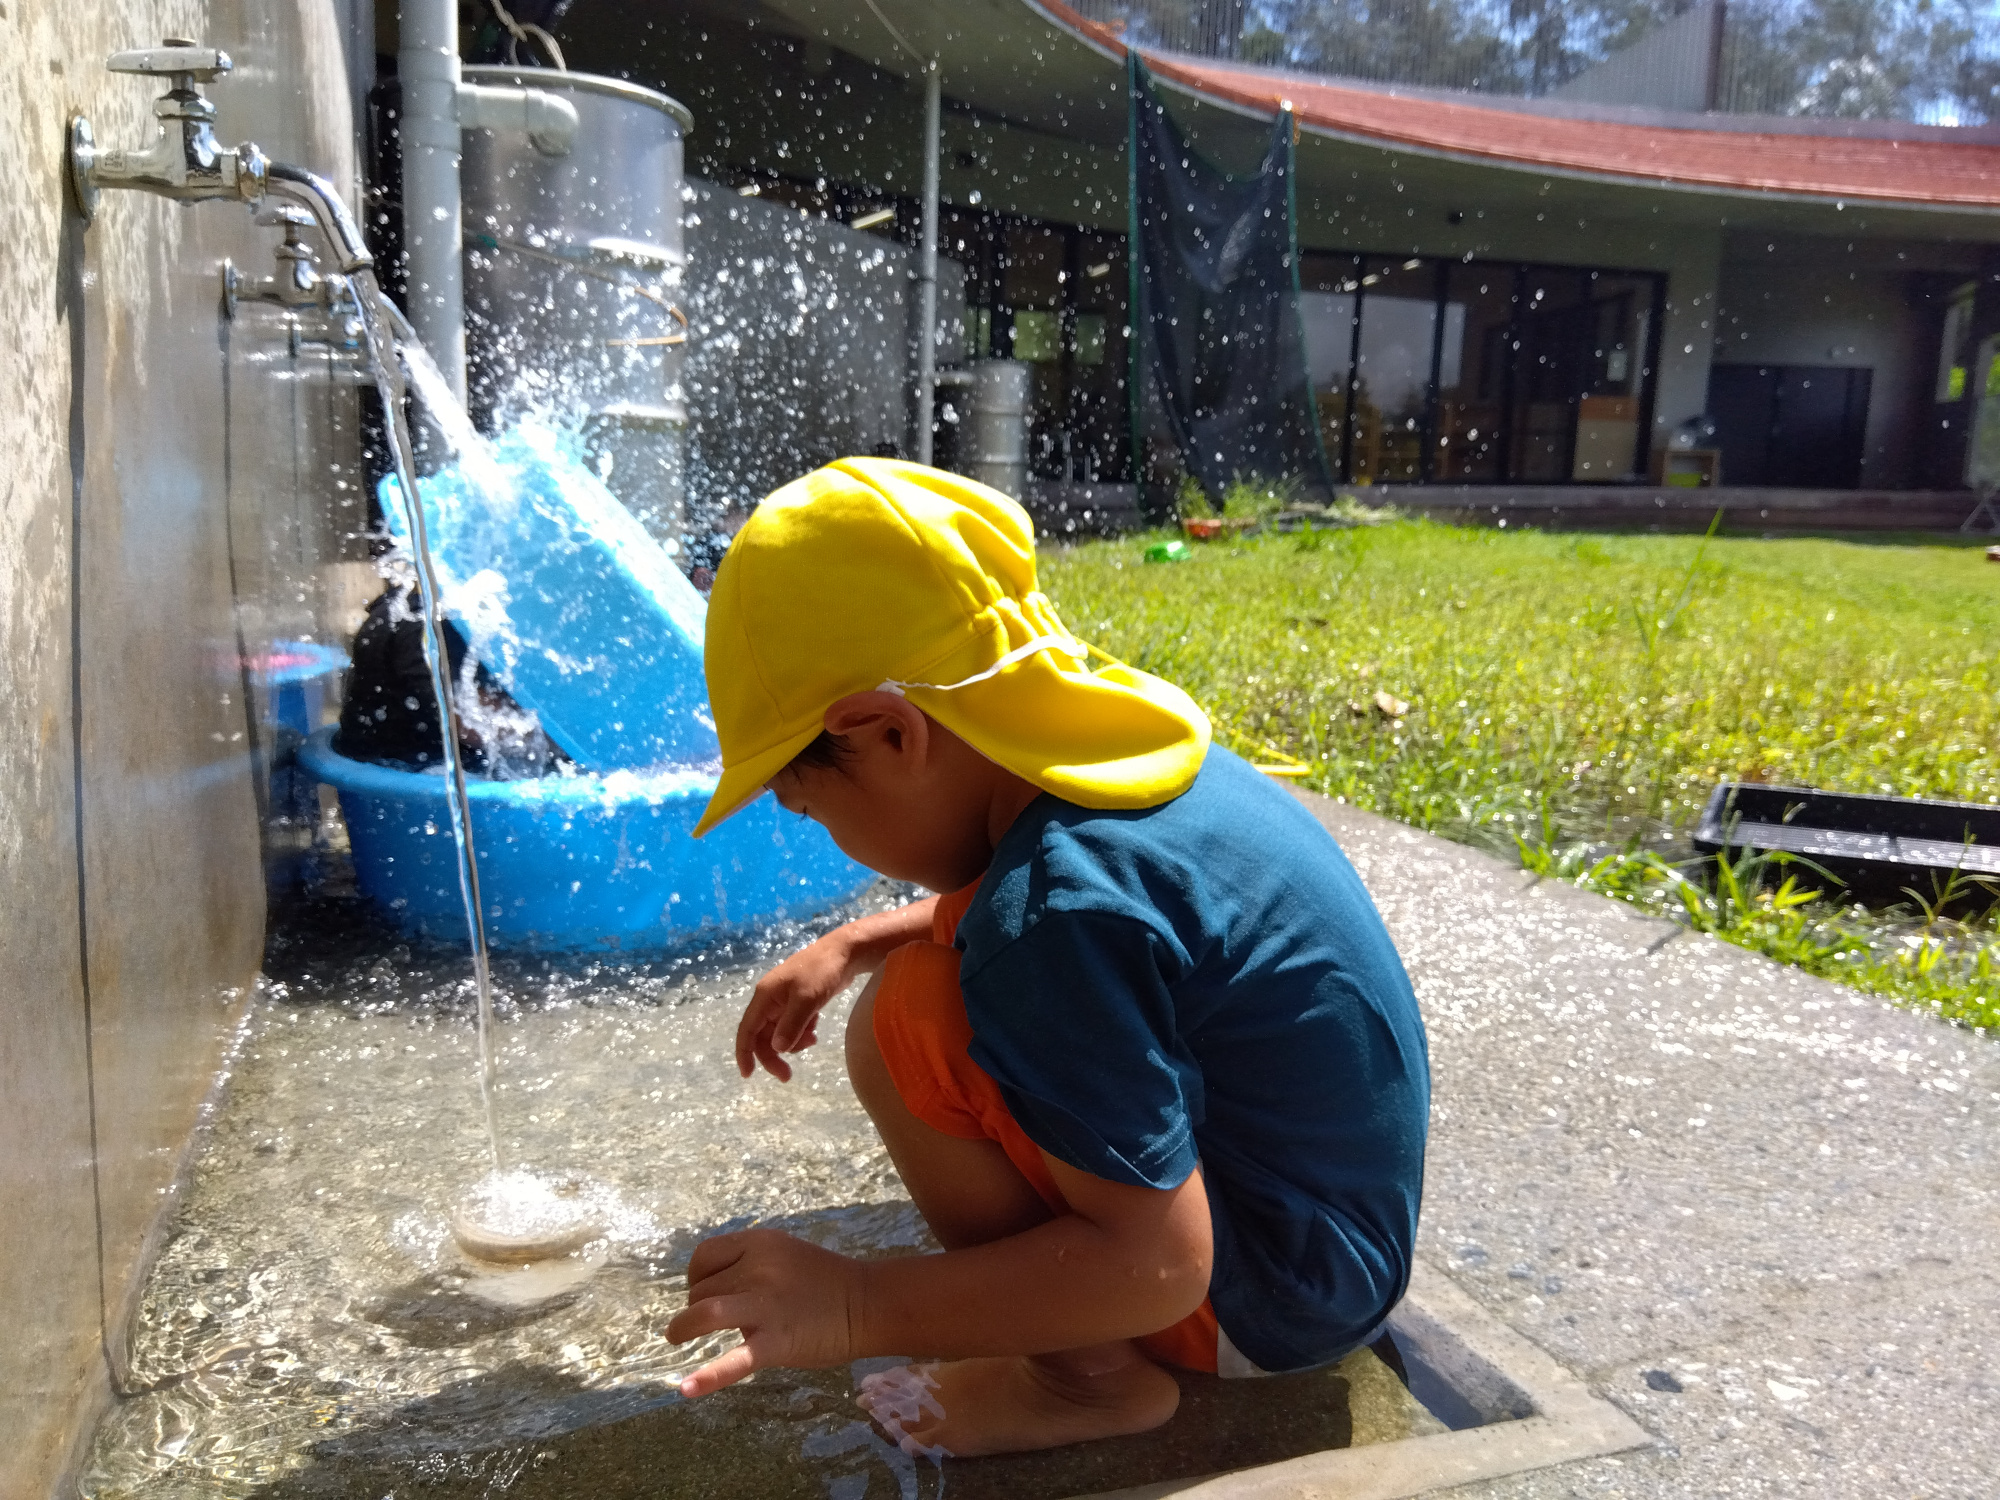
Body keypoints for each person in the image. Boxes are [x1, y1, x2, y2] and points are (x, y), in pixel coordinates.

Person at [666, 459, 1429, 1459]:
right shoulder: (1120, 756)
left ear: (886, 732)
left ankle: (1084, 1380)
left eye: (810, 809)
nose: (828, 841)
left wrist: (851, 1304)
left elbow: (1159, 1270)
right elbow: (1113, 913)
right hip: (1337, 1249)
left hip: (1268, 1312)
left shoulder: (1046, 922)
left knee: (907, 1025)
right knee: (927, 972)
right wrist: (858, 936)